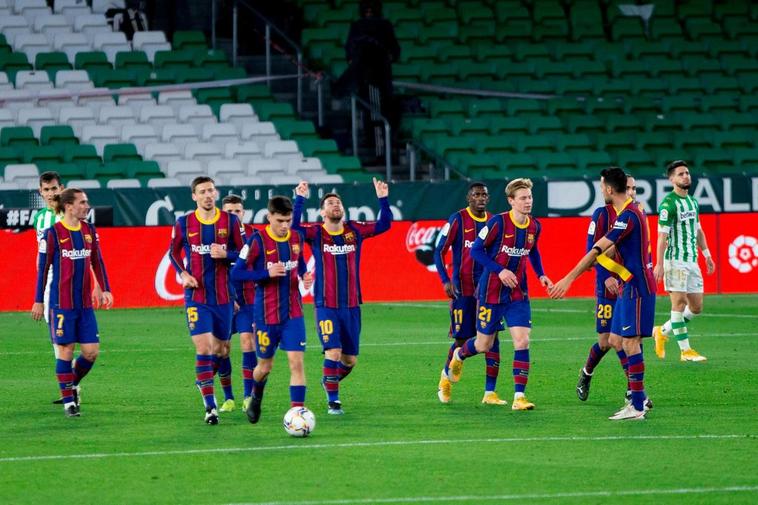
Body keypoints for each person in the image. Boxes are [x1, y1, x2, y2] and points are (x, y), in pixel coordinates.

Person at [550, 167, 656, 420]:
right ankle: (636, 400)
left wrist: (568, 278)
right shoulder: (620, 214)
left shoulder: (629, 215)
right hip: (626, 286)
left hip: (637, 285)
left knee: (630, 342)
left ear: (609, 189)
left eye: (601, 186)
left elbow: (597, 250)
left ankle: (638, 404)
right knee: (616, 340)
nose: (601, 190)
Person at [447, 178, 553, 411]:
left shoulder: (535, 226)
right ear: (511, 201)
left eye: (530, 197)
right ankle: (459, 355)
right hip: (491, 292)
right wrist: (500, 270)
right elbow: (476, 250)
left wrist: (541, 275)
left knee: (522, 341)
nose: (528, 202)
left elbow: (533, 252)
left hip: (517, 293)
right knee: (484, 344)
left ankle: (519, 397)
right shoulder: (498, 223)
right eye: (523, 198)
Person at [292, 177, 391, 415]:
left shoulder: (354, 230)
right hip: (325, 304)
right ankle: (333, 402)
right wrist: (299, 200)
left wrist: (383, 199)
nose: (335, 205)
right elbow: (293, 229)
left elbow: (384, 225)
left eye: (338, 202)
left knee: (349, 361)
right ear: (322, 212)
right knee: (333, 352)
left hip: (352, 305)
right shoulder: (315, 233)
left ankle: (329, 380)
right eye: (330, 203)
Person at [168, 177, 245, 425]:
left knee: (222, 350)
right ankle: (210, 407)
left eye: (211, 190)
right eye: (202, 191)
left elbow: (243, 255)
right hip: (196, 296)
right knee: (204, 348)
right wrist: (183, 273)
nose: (208, 195)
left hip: (223, 297)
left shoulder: (230, 221)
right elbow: (173, 251)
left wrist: (227, 254)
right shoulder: (184, 223)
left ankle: (204, 381)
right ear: (194, 196)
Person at [31, 188, 114, 417]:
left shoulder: (89, 230)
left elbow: (97, 261)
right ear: (69, 206)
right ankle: (69, 402)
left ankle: (71, 384)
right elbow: (43, 270)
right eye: (83, 202)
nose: (87, 206)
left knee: (91, 352)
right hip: (61, 303)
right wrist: (38, 300)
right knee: (65, 351)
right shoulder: (52, 233)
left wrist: (105, 288)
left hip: (84, 304)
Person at [231, 196, 313, 424]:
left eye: (288, 220)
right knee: (265, 366)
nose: (285, 225)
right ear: (269, 217)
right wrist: (265, 274)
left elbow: (300, 260)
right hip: (266, 315)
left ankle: (298, 415)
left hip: (293, 313)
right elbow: (236, 273)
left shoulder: (296, 237)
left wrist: (304, 274)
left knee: (296, 362)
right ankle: (256, 395)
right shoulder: (256, 241)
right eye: (280, 220)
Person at [434, 182, 508, 405]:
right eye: (476, 194)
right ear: (469, 198)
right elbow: (439, 251)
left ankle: (489, 393)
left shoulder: (495, 221)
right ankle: (445, 379)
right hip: (462, 289)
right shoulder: (457, 219)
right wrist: (445, 280)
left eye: (484, 194)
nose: (481, 198)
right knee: (461, 339)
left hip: (488, 289)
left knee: (493, 338)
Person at [576, 173, 642, 402]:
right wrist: (605, 277)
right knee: (606, 342)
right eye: (629, 188)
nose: (631, 192)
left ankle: (633, 390)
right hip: (608, 287)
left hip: (630, 285)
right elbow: (592, 249)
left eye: (634, 188)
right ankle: (586, 373)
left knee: (630, 339)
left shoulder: (636, 213)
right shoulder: (602, 214)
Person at [653, 161, 715, 362]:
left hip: (692, 261)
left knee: (696, 307)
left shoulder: (693, 202)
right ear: (671, 179)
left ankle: (662, 331)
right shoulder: (668, 204)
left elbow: (698, 230)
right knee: (678, 303)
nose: (686, 176)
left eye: (687, 173)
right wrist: (660, 264)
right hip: (674, 261)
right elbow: (661, 237)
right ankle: (685, 351)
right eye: (681, 174)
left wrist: (707, 255)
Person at [341, 0, 400, 158]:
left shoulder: (374, 26)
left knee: (377, 115)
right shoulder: (366, 26)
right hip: (374, 80)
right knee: (376, 114)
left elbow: (394, 52)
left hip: (376, 79)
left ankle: (381, 152)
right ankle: (380, 151)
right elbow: (395, 52)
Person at [221, 194, 259, 413]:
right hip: (224, 300)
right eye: (229, 212)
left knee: (247, 342)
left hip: (249, 301)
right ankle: (228, 398)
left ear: (243, 212)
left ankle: (248, 396)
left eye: (237, 211)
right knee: (223, 349)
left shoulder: (255, 236)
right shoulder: (217, 236)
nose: (234, 215)